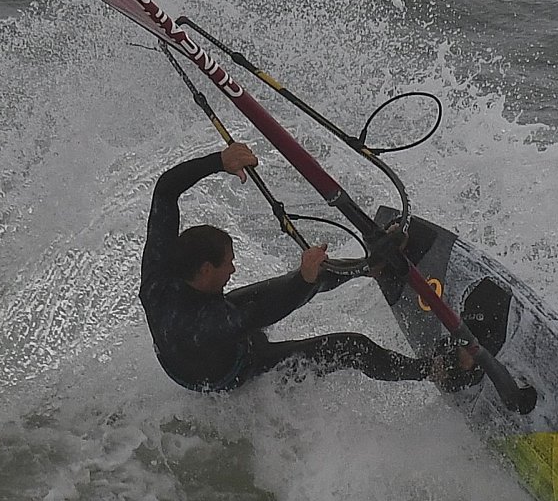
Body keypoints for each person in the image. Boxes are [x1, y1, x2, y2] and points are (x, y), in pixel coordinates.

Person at [138, 141, 478, 393]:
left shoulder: (160, 271)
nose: (234, 270)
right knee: (354, 347)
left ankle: (370, 267)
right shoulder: (203, 324)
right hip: (231, 369)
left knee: (313, 275)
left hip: (208, 328)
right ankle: (435, 370)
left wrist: (218, 161)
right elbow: (261, 314)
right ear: (205, 270)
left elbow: (165, 192)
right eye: (228, 264)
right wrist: (304, 281)